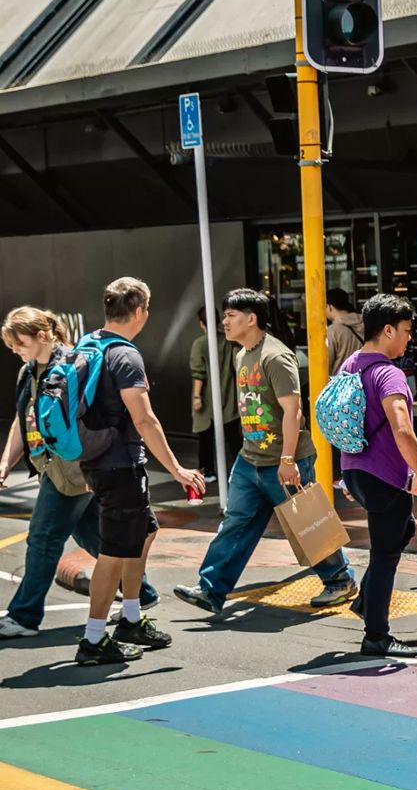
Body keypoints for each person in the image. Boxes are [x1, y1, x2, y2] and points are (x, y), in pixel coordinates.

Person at [173, 287, 356, 616]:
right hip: (250, 458)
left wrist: (287, 460)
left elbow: (293, 411)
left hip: (285, 461)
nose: (224, 322)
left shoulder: (275, 356)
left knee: (307, 524)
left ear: (251, 318)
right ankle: (211, 589)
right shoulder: (241, 354)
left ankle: (340, 578)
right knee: (236, 523)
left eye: (230, 315)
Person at [0, 307, 156, 638]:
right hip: (52, 466)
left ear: (42, 336)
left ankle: (24, 617)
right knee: (95, 537)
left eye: (19, 343)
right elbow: (22, 419)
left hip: (72, 468)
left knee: (43, 538)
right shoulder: (28, 372)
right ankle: (140, 591)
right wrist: (6, 461)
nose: (15, 350)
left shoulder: (72, 364)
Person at [77, 277, 203, 666]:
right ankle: (93, 640)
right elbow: (146, 420)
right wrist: (178, 469)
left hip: (98, 460)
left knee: (145, 531)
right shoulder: (125, 356)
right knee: (112, 553)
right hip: (119, 465)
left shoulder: (86, 345)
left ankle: (131, 619)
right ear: (139, 312)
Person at [339, 293, 417, 658]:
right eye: (406, 331)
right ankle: (376, 635)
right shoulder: (387, 373)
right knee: (385, 555)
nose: (410, 338)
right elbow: (402, 428)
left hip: (354, 470)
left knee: (400, 531)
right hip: (385, 475)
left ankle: (367, 602)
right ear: (388, 329)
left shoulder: (350, 365)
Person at [190, 305, 239, 481]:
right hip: (229, 394)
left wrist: (196, 397)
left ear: (201, 323)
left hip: (207, 397)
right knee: (235, 438)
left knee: (205, 436)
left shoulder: (200, 344)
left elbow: (198, 373)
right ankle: (239, 471)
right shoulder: (229, 341)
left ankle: (208, 471)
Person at [325, 287, 362, 377]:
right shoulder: (366, 324)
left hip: (342, 385)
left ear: (330, 307)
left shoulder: (332, 331)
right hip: (365, 382)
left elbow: (326, 364)